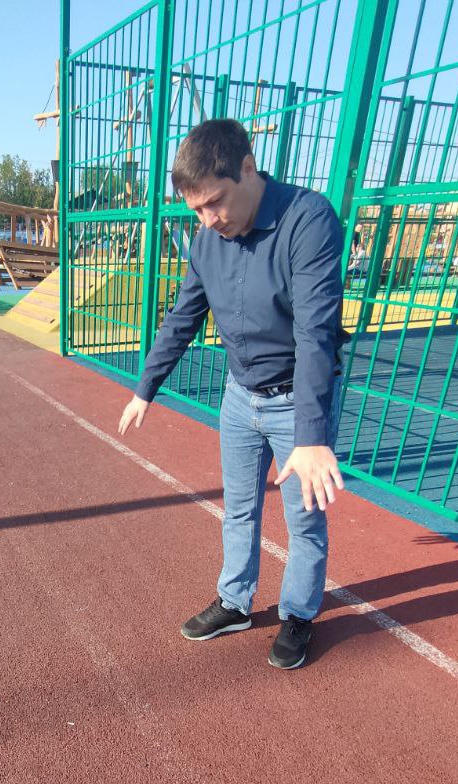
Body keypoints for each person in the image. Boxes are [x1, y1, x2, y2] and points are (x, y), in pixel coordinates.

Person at [117, 119, 348, 671]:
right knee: (239, 508)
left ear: (248, 168)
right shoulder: (207, 241)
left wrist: (311, 436)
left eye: (215, 203)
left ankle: (298, 613)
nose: (208, 220)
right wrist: (145, 388)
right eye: (196, 210)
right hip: (241, 397)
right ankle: (235, 602)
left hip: (295, 402)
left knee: (304, 519)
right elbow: (183, 317)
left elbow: (315, 332)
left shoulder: (307, 219)